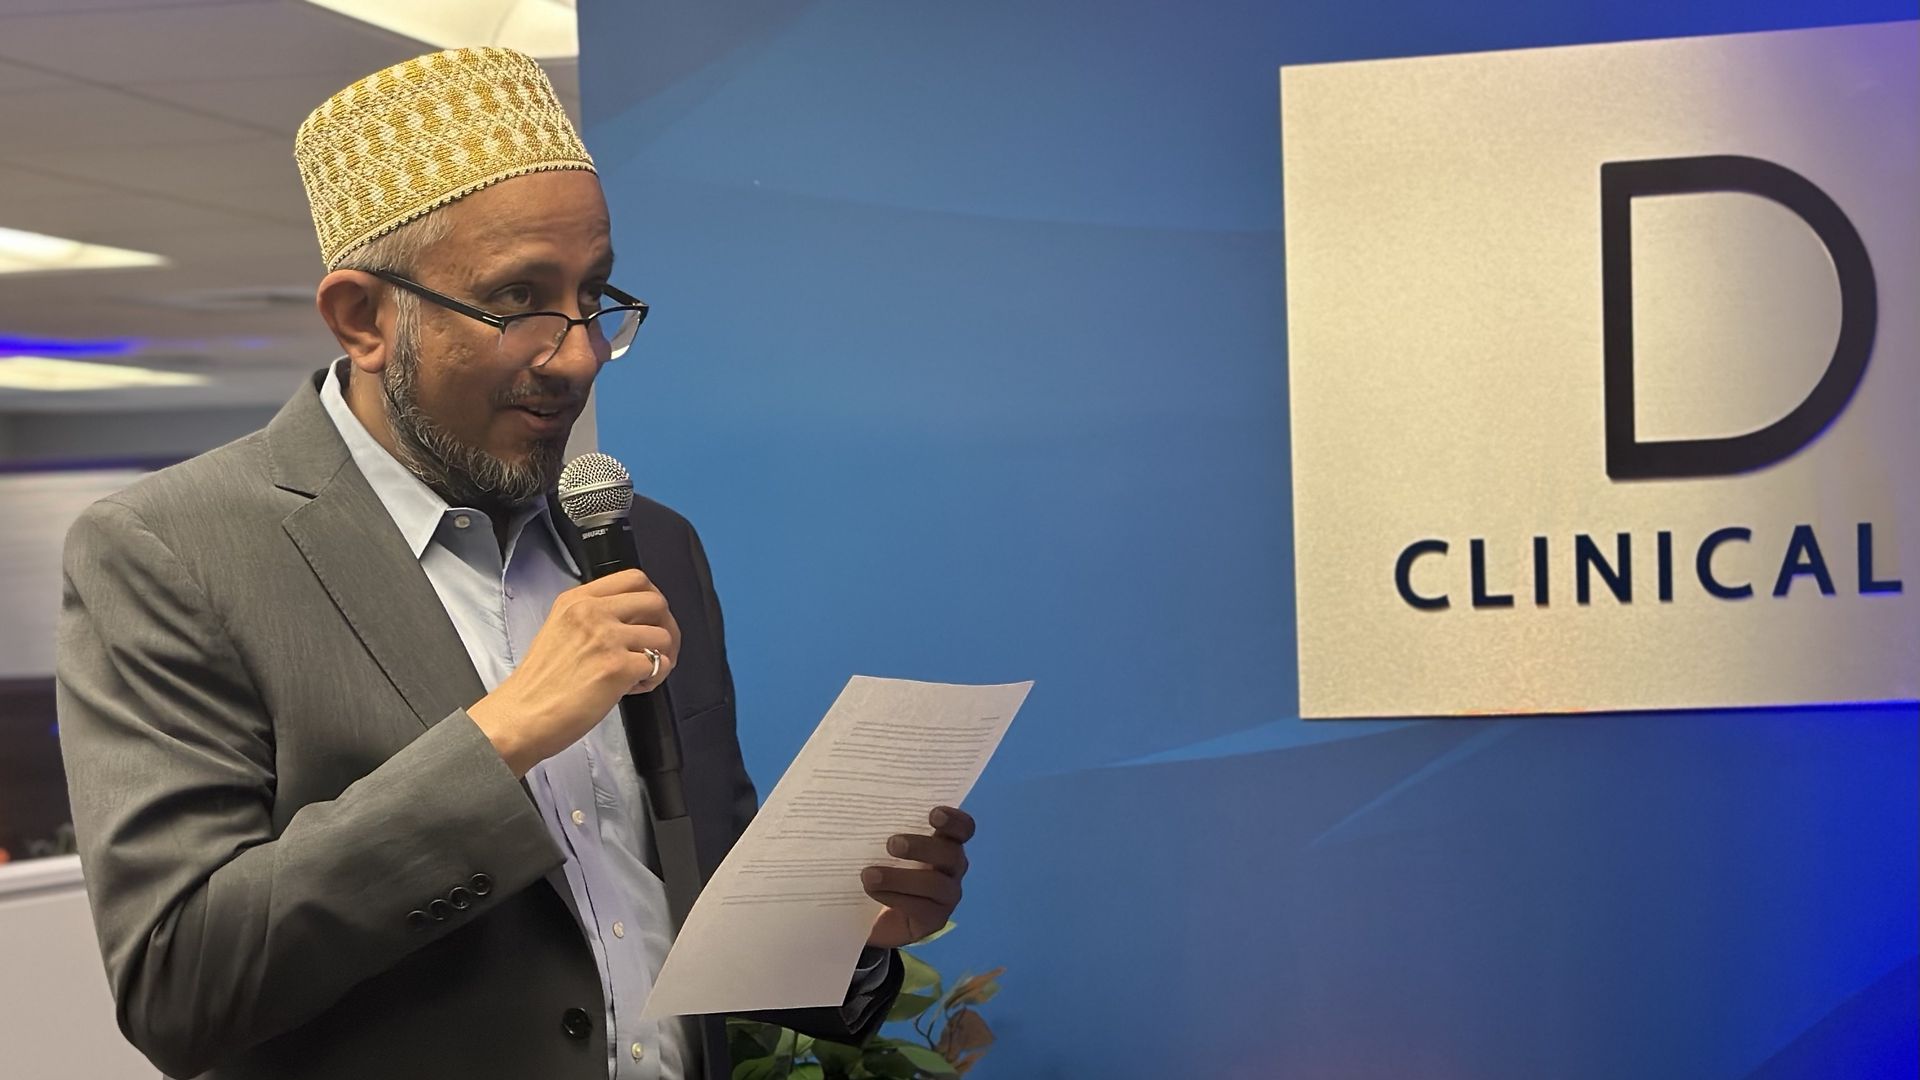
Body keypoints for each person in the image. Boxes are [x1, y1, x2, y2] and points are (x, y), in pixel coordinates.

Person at [55, 47, 973, 1080]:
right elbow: (180, 986)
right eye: (518, 301)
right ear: (363, 317)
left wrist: (845, 939)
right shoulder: (171, 552)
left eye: (592, 295)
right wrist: (500, 737)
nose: (576, 353)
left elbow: (682, 898)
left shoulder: (647, 540)